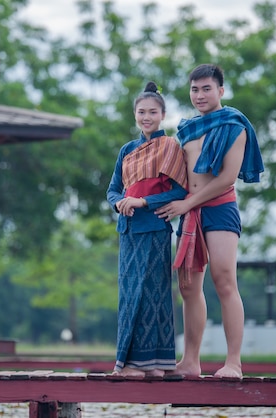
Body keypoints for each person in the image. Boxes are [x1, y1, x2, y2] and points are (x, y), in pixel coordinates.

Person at [155, 64, 264, 378]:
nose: (200, 95)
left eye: (206, 88)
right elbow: (178, 176)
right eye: (194, 89)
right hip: (189, 211)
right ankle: (190, 362)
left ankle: (234, 363)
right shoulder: (186, 130)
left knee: (224, 280)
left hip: (218, 207)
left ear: (221, 91)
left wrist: (186, 203)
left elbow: (227, 178)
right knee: (188, 288)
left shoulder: (234, 124)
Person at [106, 81, 188, 377]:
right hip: (128, 231)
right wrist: (120, 204)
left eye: (152, 112)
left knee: (153, 294)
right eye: (141, 112)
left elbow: (180, 191)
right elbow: (113, 189)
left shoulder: (170, 146)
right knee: (130, 293)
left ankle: (151, 364)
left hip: (155, 228)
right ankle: (136, 364)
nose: (146, 117)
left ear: (163, 114)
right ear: (135, 115)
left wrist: (142, 201)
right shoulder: (127, 150)